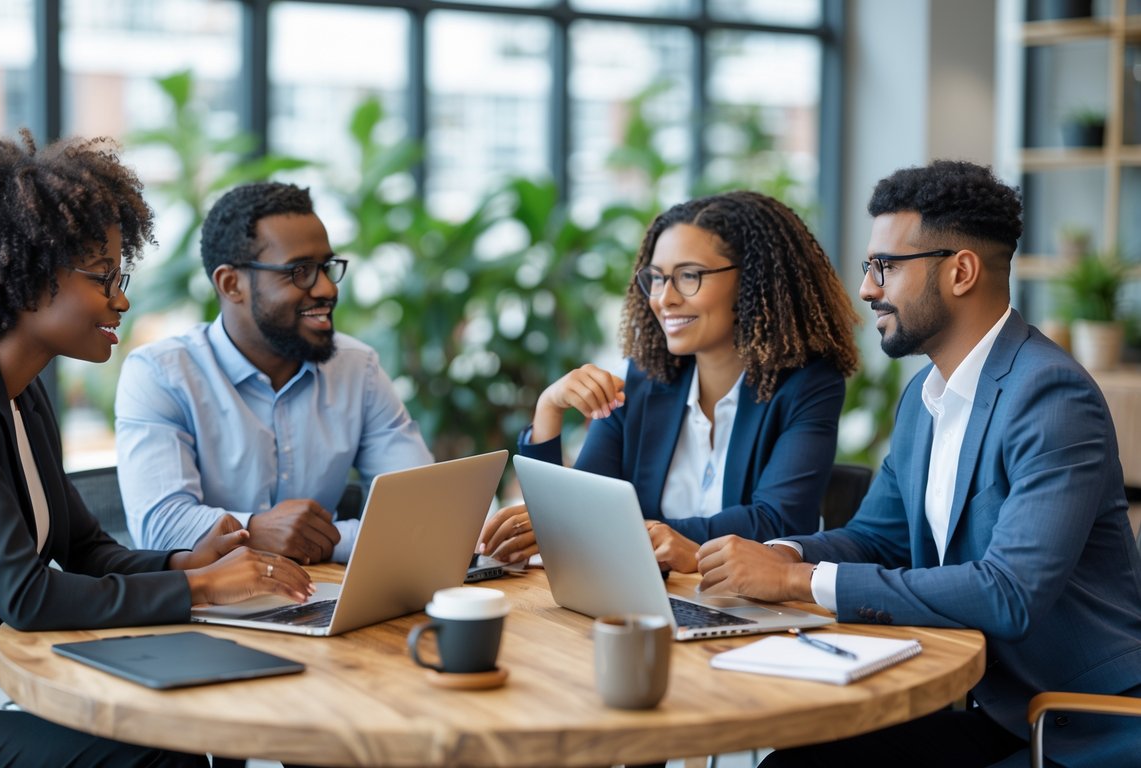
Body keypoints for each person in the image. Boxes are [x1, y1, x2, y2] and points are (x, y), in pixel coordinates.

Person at [0, 133, 314, 767]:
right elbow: (25, 596)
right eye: (103, 276)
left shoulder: (20, 396)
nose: (121, 299)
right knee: (162, 754)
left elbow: (83, 549)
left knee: (197, 735)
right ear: (26, 279)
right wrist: (203, 590)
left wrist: (186, 562)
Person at [696, 161, 1141, 767]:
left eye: (886, 266)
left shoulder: (1051, 398)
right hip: (981, 702)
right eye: (869, 267)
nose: (867, 289)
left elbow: (1008, 593)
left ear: (960, 271)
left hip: (1068, 723)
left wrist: (797, 583)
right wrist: (787, 555)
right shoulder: (925, 398)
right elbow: (876, 537)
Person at [479, 191, 859, 569]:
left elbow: (776, 522)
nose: (664, 299)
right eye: (657, 279)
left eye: (689, 276)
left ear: (754, 280)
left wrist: (627, 532)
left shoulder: (808, 385)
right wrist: (549, 408)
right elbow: (579, 509)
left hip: (751, 608)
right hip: (645, 597)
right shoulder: (643, 381)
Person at [115, 181, 432, 562]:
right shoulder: (160, 374)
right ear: (232, 284)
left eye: (327, 267)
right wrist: (257, 529)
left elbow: (422, 510)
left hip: (319, 598)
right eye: (300, 271)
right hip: (204, 609)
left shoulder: (357, 368)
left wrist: (309, 539)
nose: (327, 288)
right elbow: (161, 528)